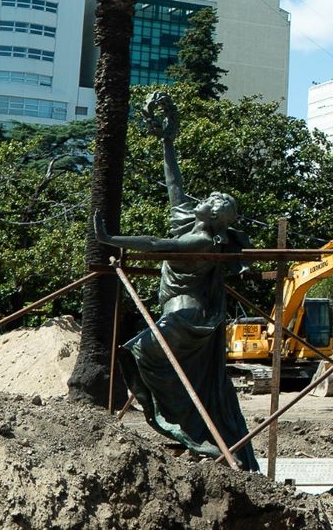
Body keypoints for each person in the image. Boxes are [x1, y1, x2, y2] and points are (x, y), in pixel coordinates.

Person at [93, 91, 257, 471]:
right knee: (174, 376)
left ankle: (190, 430)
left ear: (216, 218)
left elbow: (155, 244)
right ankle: (193, 433)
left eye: (214, 200)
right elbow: (174, 185)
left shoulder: (200, 240)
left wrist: (111, 240)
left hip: (186, 319)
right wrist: (168, 140)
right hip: (181, 316)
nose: (205, 197)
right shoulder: (190, 220)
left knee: (144, 355)